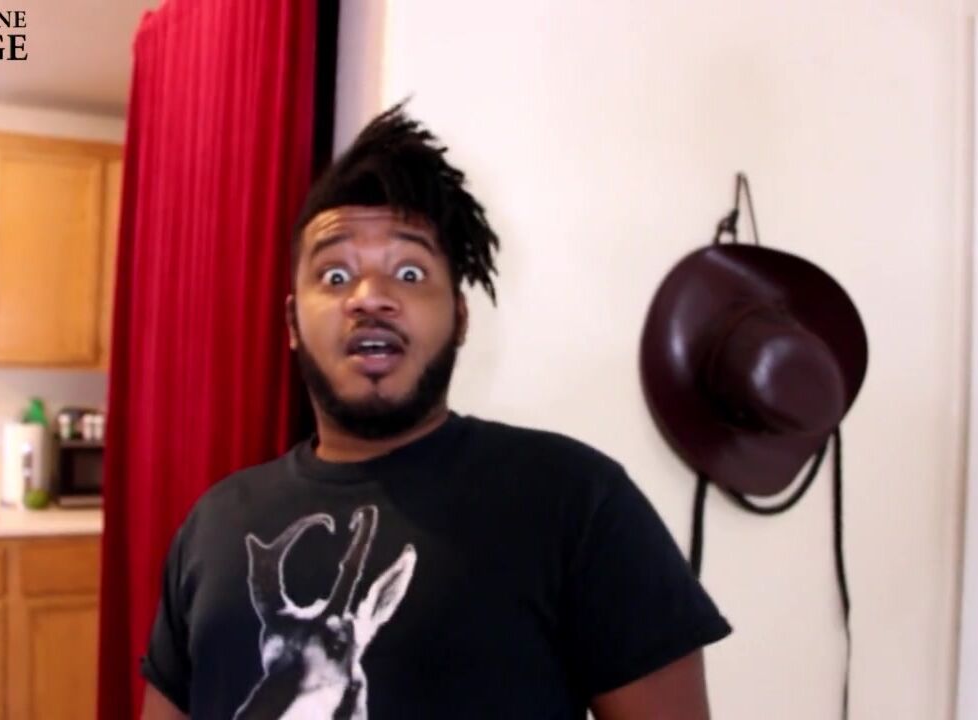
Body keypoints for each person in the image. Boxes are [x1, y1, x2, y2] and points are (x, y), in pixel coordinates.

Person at [140, 104, 732, 720]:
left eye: (409, 271)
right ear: (292, 322)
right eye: (336, 275)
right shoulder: (212, 526)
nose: (370, 297)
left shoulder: (577, 503)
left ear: (460, 316)